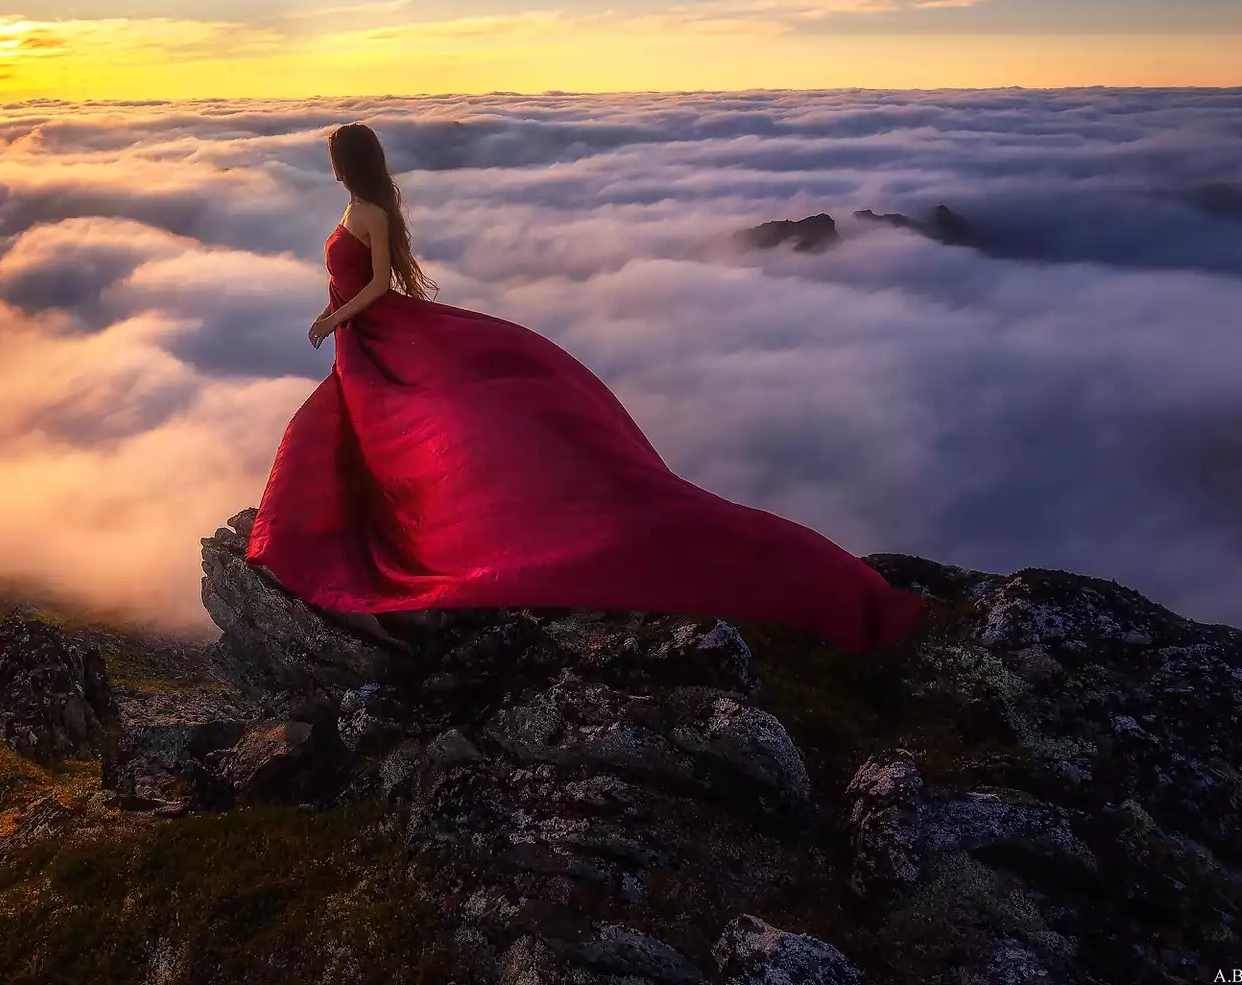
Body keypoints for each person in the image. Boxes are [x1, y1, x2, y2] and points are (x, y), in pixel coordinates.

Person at [245, 122, 924, 654]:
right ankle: (376, 523)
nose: (332, 166)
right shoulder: (359, 206)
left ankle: (407, 534)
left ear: (350, 164)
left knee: (398, 432)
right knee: (364, 431)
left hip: (373, 332)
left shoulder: (370, 213)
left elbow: (381, 286)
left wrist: (332, 316)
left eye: (337, 156)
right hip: (363, 342)